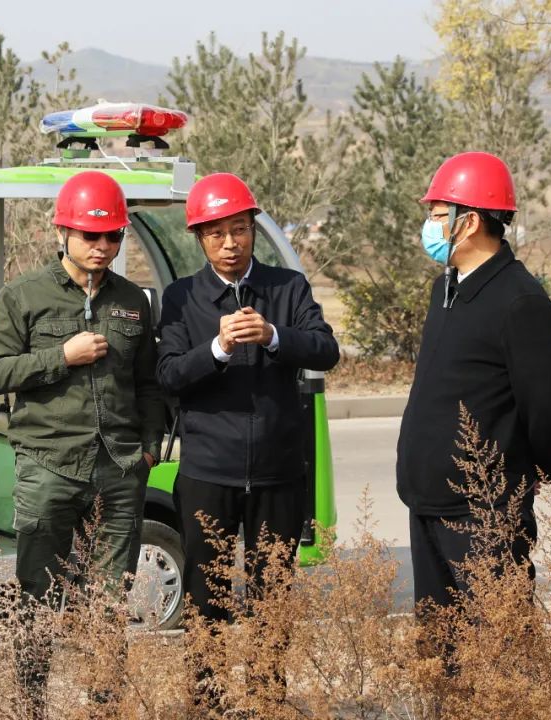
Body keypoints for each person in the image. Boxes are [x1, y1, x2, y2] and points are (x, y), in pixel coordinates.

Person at [0, 170, 164, 712]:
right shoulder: (24, 296)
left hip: (120, 467)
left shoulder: (134, 300)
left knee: (109, 602)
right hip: (49, 467)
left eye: (113, 237)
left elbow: (149, 382)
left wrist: (150, 446)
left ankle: (105, 702)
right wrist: (61, 356)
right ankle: (31, 703)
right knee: (39, 596)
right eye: (91, 236)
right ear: (63, 232)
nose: (103, 247)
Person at [155, 172, 339, 705]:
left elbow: (326, 350)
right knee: (206, 596)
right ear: (200, 239)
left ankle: (265, 699)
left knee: (271, 597)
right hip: (208, 472)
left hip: (280, 472)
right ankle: (207, 701)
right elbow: (167, 375)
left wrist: (277, 336)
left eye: (238, 230)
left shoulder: (287, 287)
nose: (230, 244)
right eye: (216, 234)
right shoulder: (182, 297)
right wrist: (215, 349)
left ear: (253, 229)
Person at [397, 151, 551, 614]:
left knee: (499, 652)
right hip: (429, 499)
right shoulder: (447, 287)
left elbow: (548, 407)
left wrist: (534, 470)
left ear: (468, 221)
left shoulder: (520, 301)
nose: (429, 227)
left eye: (437, 215)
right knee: (442, 651)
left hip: (484, 509)